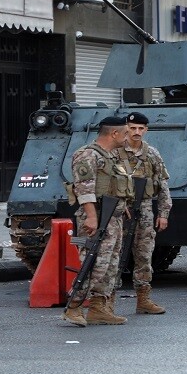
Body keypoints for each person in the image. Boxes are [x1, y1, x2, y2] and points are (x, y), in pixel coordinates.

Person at [62, 115, 134, 327]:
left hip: (113, 217)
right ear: (114, 133)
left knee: (110, 265)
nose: (128, 137)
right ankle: (74, 307)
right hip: (97, 218)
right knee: (93, 264)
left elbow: (114, 187)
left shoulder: (111, 157)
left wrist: (123, 207)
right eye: (126, 133)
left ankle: (98, 308)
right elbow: (84, 188)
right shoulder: (87, 155)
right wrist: (92, 217)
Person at [118, 111, 172, 315]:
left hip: (146, 211)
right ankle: (106, 301)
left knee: (144, 255)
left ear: (146, 130)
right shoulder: (115, 152)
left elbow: (162, 185)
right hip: (119, 211)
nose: (136, 132)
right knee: (114, 256)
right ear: (126, 129)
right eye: (132, 128)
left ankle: (143, 299)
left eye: (141, 129)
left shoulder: (152, 154)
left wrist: (164, 213)